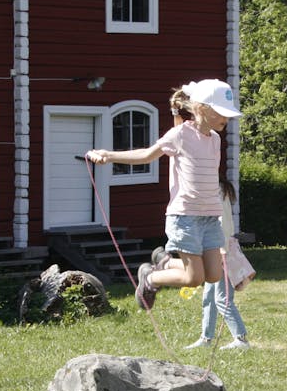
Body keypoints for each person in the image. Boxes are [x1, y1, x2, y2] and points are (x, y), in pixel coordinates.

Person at [86, 78, 243, 310]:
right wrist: (108, 155)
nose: (225, 119)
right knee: (193, 278)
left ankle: (164, 262)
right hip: (185, 216)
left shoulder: (216, 139)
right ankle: (150, 278)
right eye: (220, 113)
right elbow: (146, 155)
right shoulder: (179, 135)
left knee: (214, 275)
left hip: (210, 217)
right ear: (201, 108)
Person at [186, 178, 250, 351]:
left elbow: (224, 221)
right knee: (209, 297)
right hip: (213, 248)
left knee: (222, 298)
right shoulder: (214, 188)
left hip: (221, 249)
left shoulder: (216, 190)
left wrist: (222, 248)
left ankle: (241, 339)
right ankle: (206, 338)